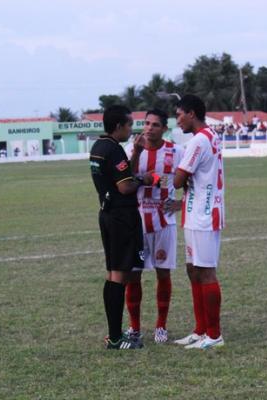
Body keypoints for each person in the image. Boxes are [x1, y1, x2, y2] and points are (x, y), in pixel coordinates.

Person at [89, 105, 157, 350]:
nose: (132, 129)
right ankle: (116, 338)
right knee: (119, 275)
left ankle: (114, 335)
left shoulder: (98, 147)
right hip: (121, 217)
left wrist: (136, 153)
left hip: (107, 215)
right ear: (118, 126)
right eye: (129, 125)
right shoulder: (114, 149)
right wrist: (144, 179)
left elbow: (118, 175)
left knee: (112, 274)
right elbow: (125, 186)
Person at [123, 109, 184, 345]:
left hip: (164, 222)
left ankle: (161, 326)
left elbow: (188, 180)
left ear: (164, 129)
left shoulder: (176, 151)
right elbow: (127, 179)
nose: (149, 128)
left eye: (155, 125)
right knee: (133, 276)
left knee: (163, 273)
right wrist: (137, 153)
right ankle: (135, 327)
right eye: (146, 123)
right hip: (136, 221)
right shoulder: (132, 148)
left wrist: (180, 202)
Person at [172, 94, 225, 350]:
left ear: (191, 113)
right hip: (196, 212)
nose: (177, 120)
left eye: (179, 114)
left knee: (205, 271)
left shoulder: (199, 141)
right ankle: (200, 329)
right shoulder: (210, 136)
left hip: (204, 215)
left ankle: (214, 335)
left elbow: (178, 180)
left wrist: (171, 176)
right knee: (193, 269)